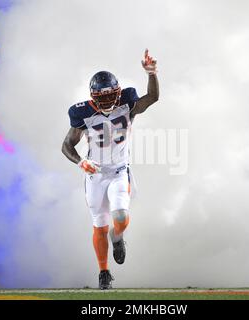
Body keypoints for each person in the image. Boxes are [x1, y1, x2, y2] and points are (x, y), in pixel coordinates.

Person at [62, 50, 159, 290]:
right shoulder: (81, 113)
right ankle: (104, 272)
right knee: (99, 224)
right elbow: (67, 145)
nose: (107, 101)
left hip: (118, 170)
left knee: (120, 216)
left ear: (118, 92)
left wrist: (152, 73)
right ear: (92, 96)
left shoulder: (128, 103)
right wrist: (80, 162)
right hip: (95, 174)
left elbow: (153, 97)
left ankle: (118, 238)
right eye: (101, 97)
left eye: (110, 95)